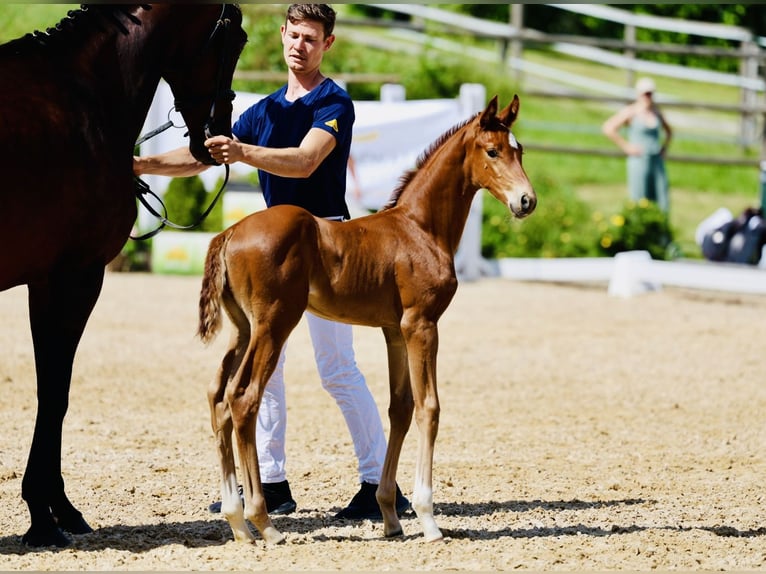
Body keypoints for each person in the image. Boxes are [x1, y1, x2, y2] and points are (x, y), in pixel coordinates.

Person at [134, 3, 409, 521]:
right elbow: (203, 154)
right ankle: (274, 482)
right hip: (279, 253)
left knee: (337, 368)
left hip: (330, 245)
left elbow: (306, 161)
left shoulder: (334, 101)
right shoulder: (263, 111)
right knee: (271, 368)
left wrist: (243, 152)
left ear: (327, 44)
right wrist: (140, 164)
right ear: (282, 34)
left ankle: (377, 481)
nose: (299, 45)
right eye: (294, 35)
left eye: (311, 38)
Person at [602, 77, 673, 213]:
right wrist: (626, 146)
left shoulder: (656, 112)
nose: (648, 97)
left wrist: (664, 148)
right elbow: (608, 128)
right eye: (645, 94)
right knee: (639, 197)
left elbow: (669, 131)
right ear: (638, 94)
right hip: (639, 160)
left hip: (656, 160)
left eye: (650, 94)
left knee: (661, 197)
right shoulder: (631, 111)